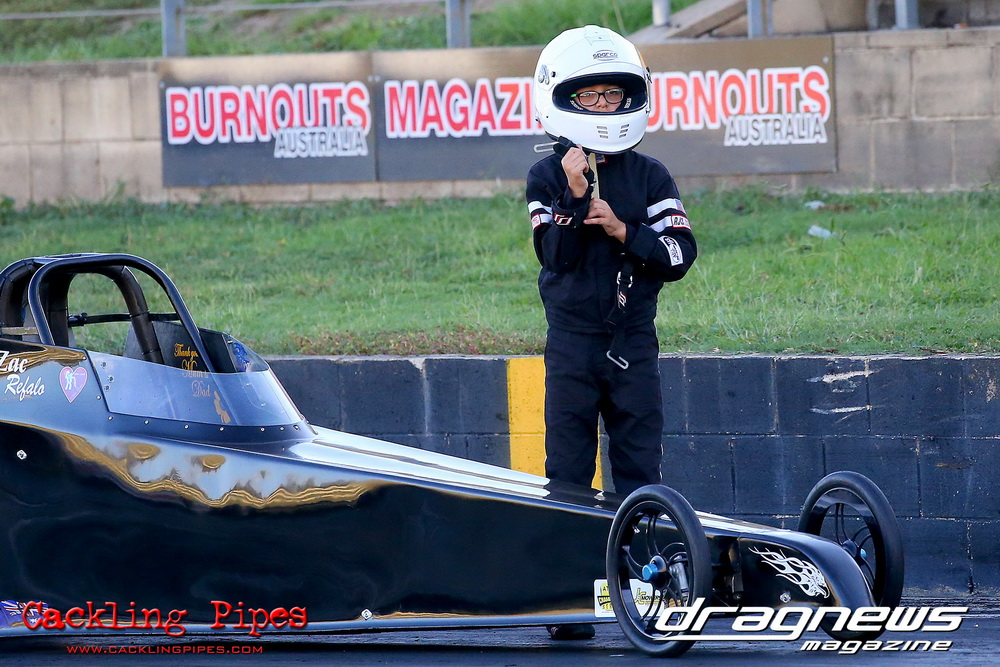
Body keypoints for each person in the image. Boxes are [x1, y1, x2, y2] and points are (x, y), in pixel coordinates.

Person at [527, 27, 697, 639]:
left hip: (633, 343)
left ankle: (650, 595)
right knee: (568, 473)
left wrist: (626, 232)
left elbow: (680, 255)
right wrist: (575, 199)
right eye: (589, 96)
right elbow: (554, 256)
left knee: (640, 471)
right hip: (571, 346)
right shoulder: (545, 177)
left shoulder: (650, 176)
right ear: (562, 99)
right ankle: (570, 603)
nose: (602, 107)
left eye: (611, 96)